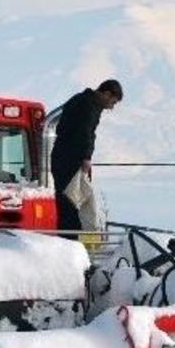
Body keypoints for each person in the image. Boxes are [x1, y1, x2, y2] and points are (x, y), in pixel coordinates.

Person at [50, 79, 123, 236]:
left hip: (61, 156)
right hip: (69, 159)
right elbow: (86, 133)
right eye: (113, 102)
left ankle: (67, 239)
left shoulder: (80, 99)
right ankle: (70, 243)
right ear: (106, 93)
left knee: (65, 204)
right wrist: (86, 157)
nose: (111, 107)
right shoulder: (90, 106)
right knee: (72, 204)